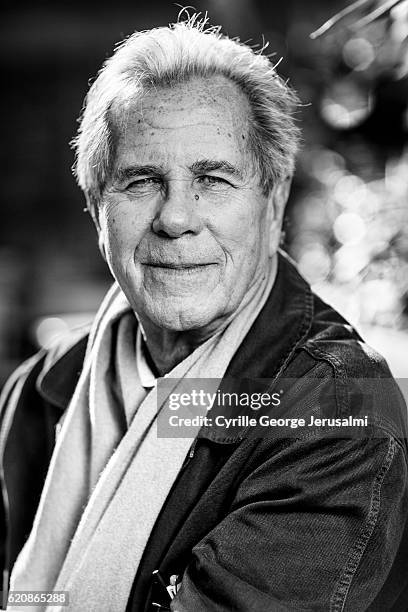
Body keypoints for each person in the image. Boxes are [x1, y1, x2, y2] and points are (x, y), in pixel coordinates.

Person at [1, 14, 408, 612]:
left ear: (274, 202)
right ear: (96, 210)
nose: (175, 219)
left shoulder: (340, 411)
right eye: (141, 181)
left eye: (214, 180)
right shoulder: (41, 389)